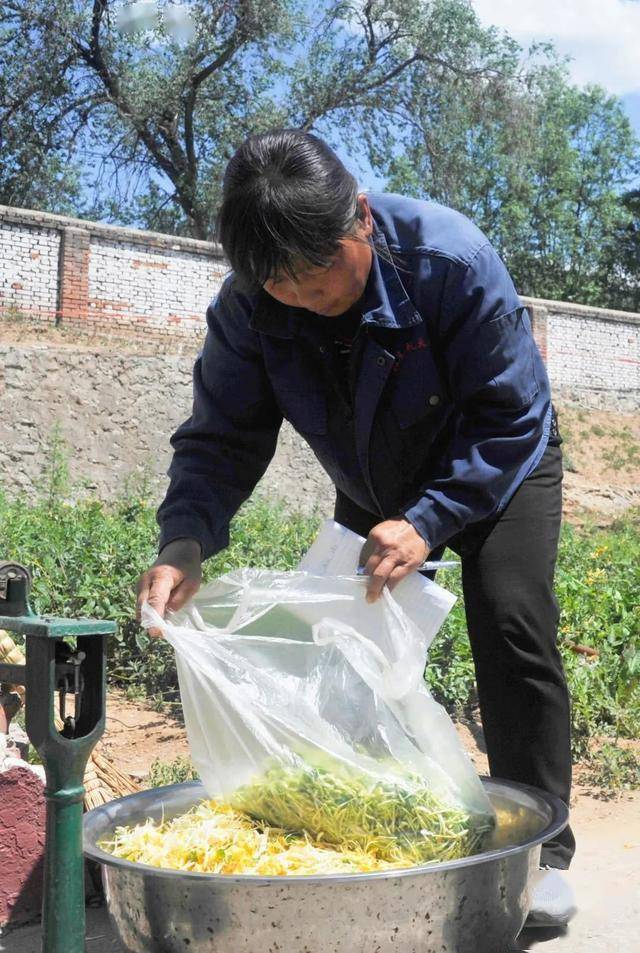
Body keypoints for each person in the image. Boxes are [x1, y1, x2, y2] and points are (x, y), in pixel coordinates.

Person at [136, 128, 576, 927]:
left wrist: (431, 519)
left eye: (319, 271)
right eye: (282, 283)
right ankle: (369, 831)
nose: (305, 295)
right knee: (348, 646)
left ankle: (544, 855)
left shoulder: (451, 262)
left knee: (511, 619)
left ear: (362, 219)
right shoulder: (250, 308)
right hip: (376, 478)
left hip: (497, 463)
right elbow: (221, 436)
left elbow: (511, 414)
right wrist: (184, 540)